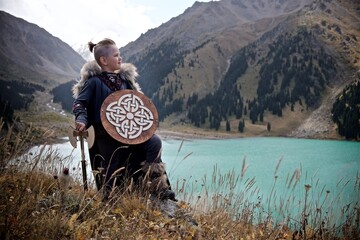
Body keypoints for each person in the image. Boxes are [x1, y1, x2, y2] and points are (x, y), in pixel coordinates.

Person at [72, 38, 175, 201]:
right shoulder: (93, 82)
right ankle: (110, 198)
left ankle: (156, 187)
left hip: (130, 132)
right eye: (116, 55)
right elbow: (80, 103)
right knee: (111, 165)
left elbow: (136, 104)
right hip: (105, 134)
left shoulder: (125, 82)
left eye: (120, 55)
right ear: (104, 60)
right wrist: (82, 120)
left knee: (154, 142)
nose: (120, 58)